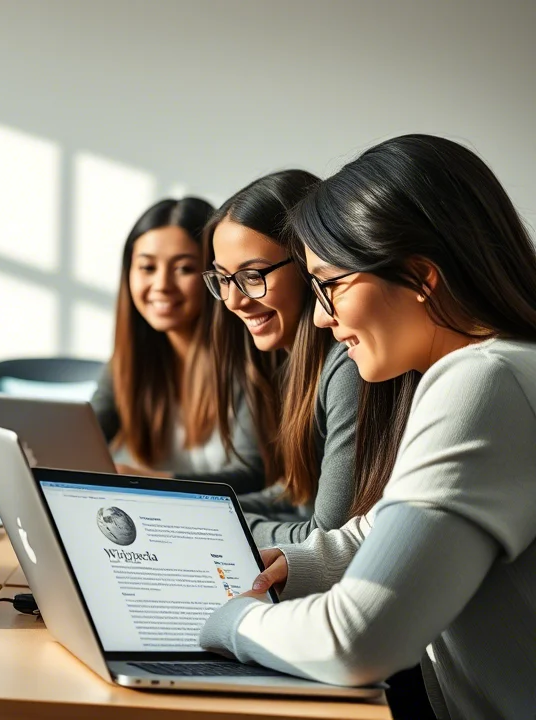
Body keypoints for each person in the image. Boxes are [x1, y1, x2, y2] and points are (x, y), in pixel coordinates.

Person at [200, 134, 536, 720]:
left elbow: (357, 641)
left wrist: (234, 623)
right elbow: (391, 524)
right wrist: (299, 565)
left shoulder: (485, 380)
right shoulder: (506, 367)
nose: (324, 318)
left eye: (330, 285)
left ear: (421, 277)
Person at [203, 170, 365, 545]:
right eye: (223, 279)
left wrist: (221, 523)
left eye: (253, 275)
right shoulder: (288, 362)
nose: (234, 301)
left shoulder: (348, 366)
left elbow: (325, 535)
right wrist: (199, 510)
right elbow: (298, 499)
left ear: (310, 265)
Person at [90, 197, 263, 492]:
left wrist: (151, 482)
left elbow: (255, 475)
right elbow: (82, 441)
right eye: (147, 268)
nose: (161, 285)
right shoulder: (126, 364)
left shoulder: (251, 360)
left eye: (183, 269)